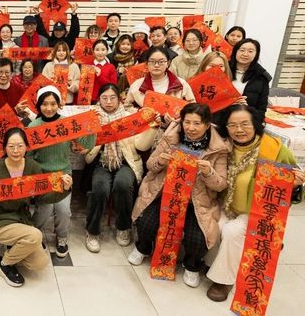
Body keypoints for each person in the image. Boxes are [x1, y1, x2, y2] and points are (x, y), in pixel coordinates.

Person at [205, 104, 304, 302]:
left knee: (232, 231)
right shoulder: (223, 147)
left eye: (245, 124)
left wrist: (294, 185)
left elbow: (291, 184)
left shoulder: (274, 150)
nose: (239, 130)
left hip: (257, 211)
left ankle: (223, 280)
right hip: (227, 204)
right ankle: (212, 265)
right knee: (214, 224)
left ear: (256, 124)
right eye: (232, 125)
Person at [0, 128, 73, 287]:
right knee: (35, 236)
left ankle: (15, 245)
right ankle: (4, 264)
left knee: (40, 263)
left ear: (27, 147)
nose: (16, 151)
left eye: (20, 146)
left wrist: (64, 189)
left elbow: (42, 198)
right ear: (4, 148)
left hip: (21, 219)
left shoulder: (33, 167)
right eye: (11, 146)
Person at [128, 103, 229, 288]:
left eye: (197, 123)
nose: (190, 128)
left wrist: (209, 172)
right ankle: (143, 247)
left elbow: (221, 184)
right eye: (187, 122)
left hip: (196, 201)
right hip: (164, 193)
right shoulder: (170, 138)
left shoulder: (218, 149)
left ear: (207, 125)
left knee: (197, 237)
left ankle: (191, 265)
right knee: (146, 223)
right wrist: (160, 161)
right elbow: (150, 165)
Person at [29, 86, 96, 258]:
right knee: (44, 210)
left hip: (63, 175)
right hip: (43, 176)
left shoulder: (67, 123)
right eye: (44, 104)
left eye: (53, 103)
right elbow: (28, 156)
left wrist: (92, 127)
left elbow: (86, 145)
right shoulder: (33, 126)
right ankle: (34, 235)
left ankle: (62, 237)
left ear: (59, 104)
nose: (49, 108)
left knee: (63, 210)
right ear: (39, 105)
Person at [84, 84, 146, 253]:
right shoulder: (92, 116)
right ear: (99, 99)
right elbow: (84, 148)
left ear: (120, 99)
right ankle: (92, 231)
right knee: (100, 188)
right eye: (104, 98)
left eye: (113, 98)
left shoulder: (130, 116)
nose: (109, 102)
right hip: (101, 162)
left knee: (123, 184)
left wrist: (152, 128)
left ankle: (124, 227)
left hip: (127, 161)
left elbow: (141, 145)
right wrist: (97, 129)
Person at [125, 47, 195, 115]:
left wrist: (178, 117)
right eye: (152, 61)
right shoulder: (137, 85)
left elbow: (192, 106)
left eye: (161, 62)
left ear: (168, 63)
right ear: (146, 64)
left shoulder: (181, 84)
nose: (156, 65)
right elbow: (127, 107)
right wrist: (140, 113)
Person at [229, 38, 270, 123]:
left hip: (245, 122)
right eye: (242, 50)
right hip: (221, 120)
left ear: (256, 54)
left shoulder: (261, 77)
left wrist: (247, 108)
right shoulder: (223, 70)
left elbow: (261, 110)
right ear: (235, 51)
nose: (245, 54)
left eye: (250, 51)